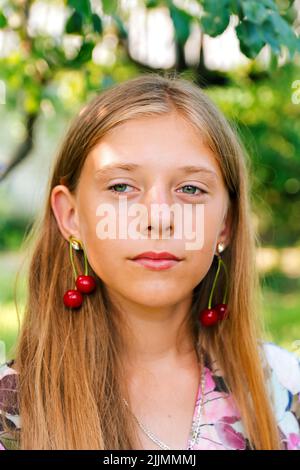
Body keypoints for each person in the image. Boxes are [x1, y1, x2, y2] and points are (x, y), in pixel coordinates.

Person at [0, 73, 299, 450]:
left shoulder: (285, 391)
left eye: (190, 189)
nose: (159, 218)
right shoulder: (10, 410)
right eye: (122, 187)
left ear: (226, 223)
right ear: (71, 216)